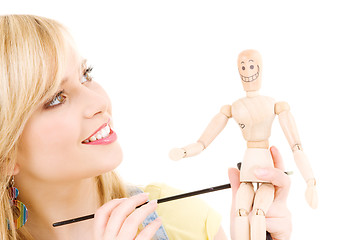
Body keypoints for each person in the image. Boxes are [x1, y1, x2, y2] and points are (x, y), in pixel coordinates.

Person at [0, 15, 291, 240]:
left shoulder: (178, 219)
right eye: (57, 98)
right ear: (8, 153)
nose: (98, 101)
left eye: (85, 74)